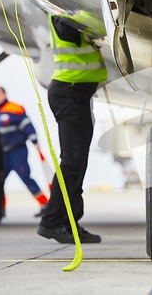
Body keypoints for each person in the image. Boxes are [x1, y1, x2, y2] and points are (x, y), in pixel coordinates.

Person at [37, 13, 107, 244]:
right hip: (70, 93)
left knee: (77, 163)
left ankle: (69, 224)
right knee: (71, 162)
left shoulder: (69, 14)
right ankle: (51, 223)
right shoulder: (63, 16)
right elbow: (98, 23)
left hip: (77, 94)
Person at [0, 87, 48, 217]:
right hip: (3, 154)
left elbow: (27, 125)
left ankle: (45, 204)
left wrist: (35, 142)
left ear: (5, 94)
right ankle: (0, 207)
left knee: (25, 176)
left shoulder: (15, 110)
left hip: (17, 151)